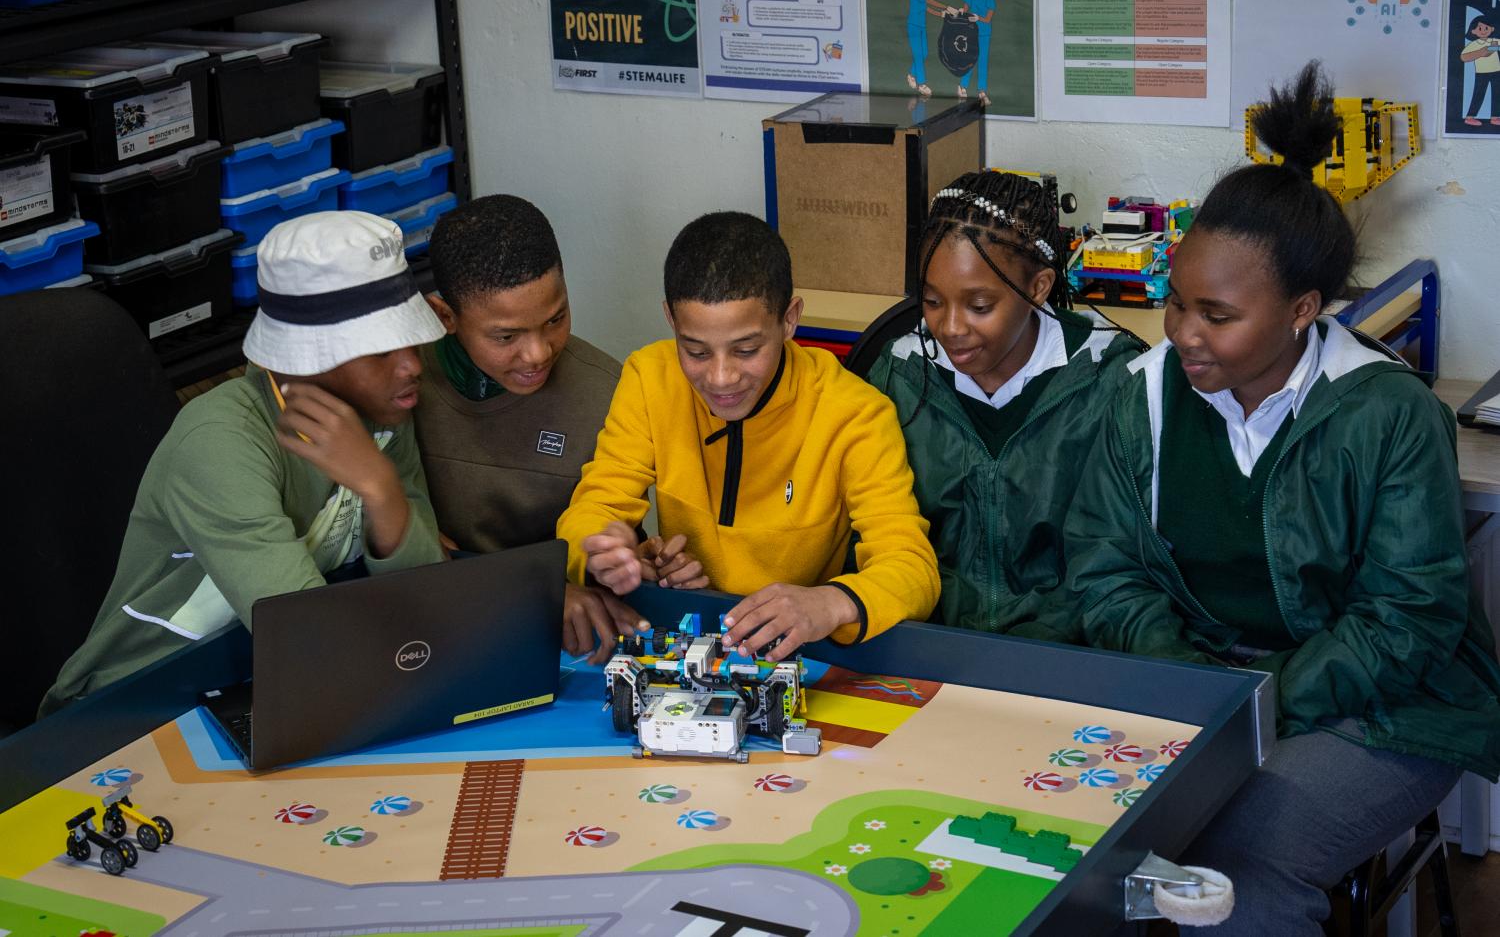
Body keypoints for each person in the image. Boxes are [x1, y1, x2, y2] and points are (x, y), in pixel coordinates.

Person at [1064, 62, 1500, 935]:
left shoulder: (1387, 412)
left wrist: (1258, 709)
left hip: (1378, 712)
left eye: (1216, 316)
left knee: (1229, 874)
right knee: (1085, 855)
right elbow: (1106, 571)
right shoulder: (1140, 393)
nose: (1183, 333)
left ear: (1304, 309)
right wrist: (1196, 692)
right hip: (1202, 691)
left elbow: (1408, 619)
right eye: (1175, 303)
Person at [42, 211, 449, 714]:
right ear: (303, 360)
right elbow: (307, 637)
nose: (411, 364)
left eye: (408, 337)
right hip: (136, 702)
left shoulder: (385, 408)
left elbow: (431, 599)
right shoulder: (219, 441)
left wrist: (382, 488)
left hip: (266, 674)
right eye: (379, 350)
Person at [556, 212, 939, 660]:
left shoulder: (855, 413)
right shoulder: (649, 378)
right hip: (683, 633)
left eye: (746, 350)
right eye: (695, 350)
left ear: (790, 319)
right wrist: (605, 552)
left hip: (798, 654)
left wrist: (829, 602)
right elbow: (594, 507)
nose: (721, 377)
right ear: (670, 320)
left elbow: (914, 568)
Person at [866, 171, 1144, 639]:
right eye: (932, 301)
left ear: (1038, 288)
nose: (950, 327)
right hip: (928, 644)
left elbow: (1120, 565)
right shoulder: (900, 378)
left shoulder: (1111, 380)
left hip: (1071, 652)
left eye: (978, 305)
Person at [412, 194, 643, 662]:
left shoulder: (610, 393)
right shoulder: (402, 380)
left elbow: (607, 545)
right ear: (445, 317)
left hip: (563, 636)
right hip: (430, 620)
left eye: (555, 319)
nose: (538, 353)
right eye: (506, 336)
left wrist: (599, 572)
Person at [902, 0, 956, 97]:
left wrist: (942, 14)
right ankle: (922, 84)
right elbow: (932, 2)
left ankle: (911, 74)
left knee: (924, 53)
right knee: (919, 55)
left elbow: (927, 8)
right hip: (913, 26)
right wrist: (948, 7)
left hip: (921, 26)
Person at [956, 0, 996, 105]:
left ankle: (982, 92)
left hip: (984, 34)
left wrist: (978, 17)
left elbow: (988, 19)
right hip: (971, 32)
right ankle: (962, 87)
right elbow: (965, 10)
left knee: (982, 62)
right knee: (970, 61)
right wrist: (963, 11)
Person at [1460, 14, 1500, 127]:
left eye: (1486, 28)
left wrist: (1488, 50)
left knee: (1497, 94)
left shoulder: (1494, 40)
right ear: (1473, 31)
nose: (1483, 31)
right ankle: (1470, 117)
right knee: (1478, 94)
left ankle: (1495, 117)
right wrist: (1481, 52)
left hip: (1497, 72)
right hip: (1482, 73)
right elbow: (1464, 57)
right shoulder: (1474, 44)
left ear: (1491, 29)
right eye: (1480, 28)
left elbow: (1492, 49)